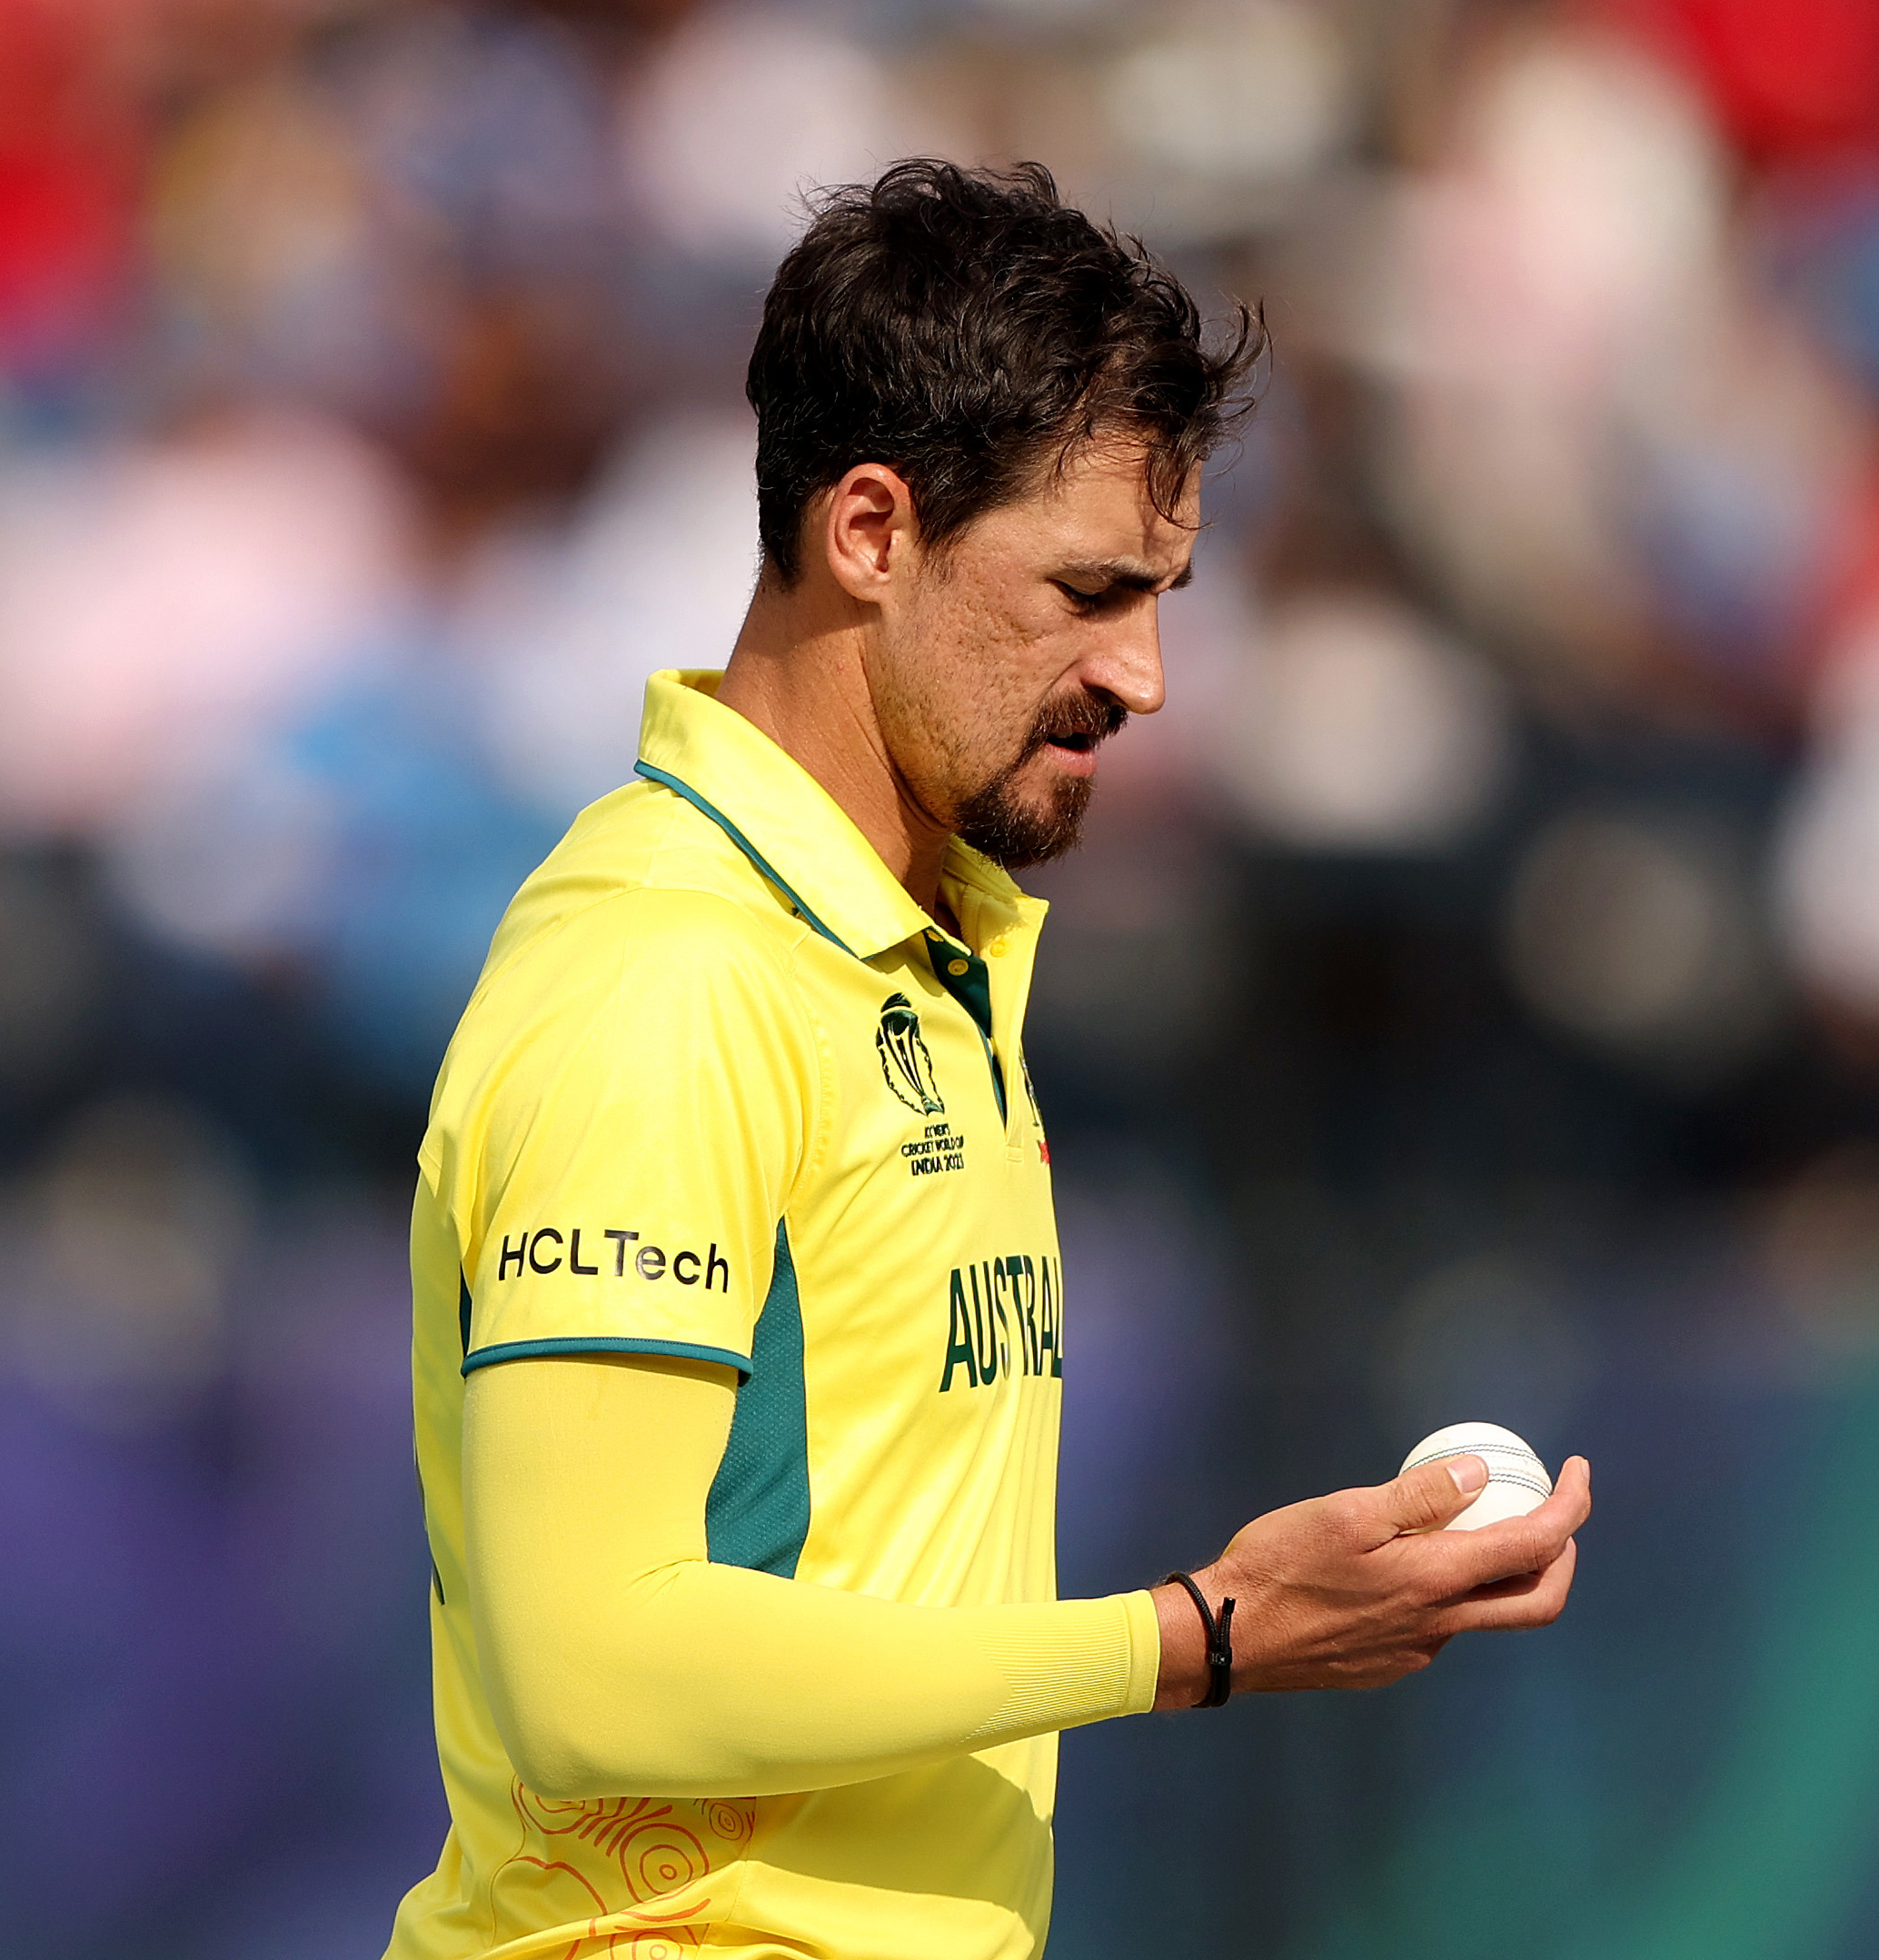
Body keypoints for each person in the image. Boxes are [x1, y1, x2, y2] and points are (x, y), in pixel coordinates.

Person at [384, 160, 1591, 1960]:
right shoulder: (669, 982)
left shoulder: (920, 946)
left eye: (1167, 592)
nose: (1149, 674)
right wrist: (1201, 1630)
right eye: (1090, 589)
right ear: (869, 531)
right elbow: (591, 1665)